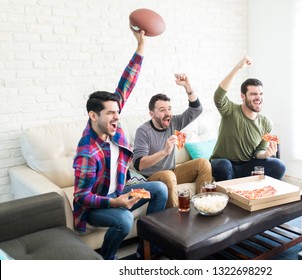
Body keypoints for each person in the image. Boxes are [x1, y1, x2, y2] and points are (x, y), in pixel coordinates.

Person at [72, 26, 168, 260]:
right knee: (124, 219)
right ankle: (106, 260)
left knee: (160, 190)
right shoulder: (87, 152)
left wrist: (141, 46)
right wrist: (115, 202)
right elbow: (81, 196)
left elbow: (126, 83)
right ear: (93, 116)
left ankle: (147, 251)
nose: (117, 116)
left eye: (117, 111)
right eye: (110, 113)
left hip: (118, 190)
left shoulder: (111, 123)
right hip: (96, 206)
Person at [133, 74, 212, 208]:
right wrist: (164, 152)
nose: (168, 113)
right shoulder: (143, 131)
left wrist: (188, 86)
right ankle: (176, 221)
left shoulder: (174, 122)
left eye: (169, 109)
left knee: (203, 164)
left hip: (173, 171)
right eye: (162, 110)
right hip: (152, 177)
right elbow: (139, 164)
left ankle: (204, 207)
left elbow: (197, 109)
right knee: (168, 175)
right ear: (152, 114)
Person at [210, 55, 286, 181]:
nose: (258, 97)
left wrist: (266, 154)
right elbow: (218, 96)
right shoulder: (230, 110)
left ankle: (262, 196)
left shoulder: (266, 123)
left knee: (279, 166)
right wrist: (237, 68)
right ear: (243, 96)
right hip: (223, 163)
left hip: (247, 166)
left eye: (261, 93)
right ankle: (231, 199)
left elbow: (259, 152)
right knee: (224, 166)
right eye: (253, 94)